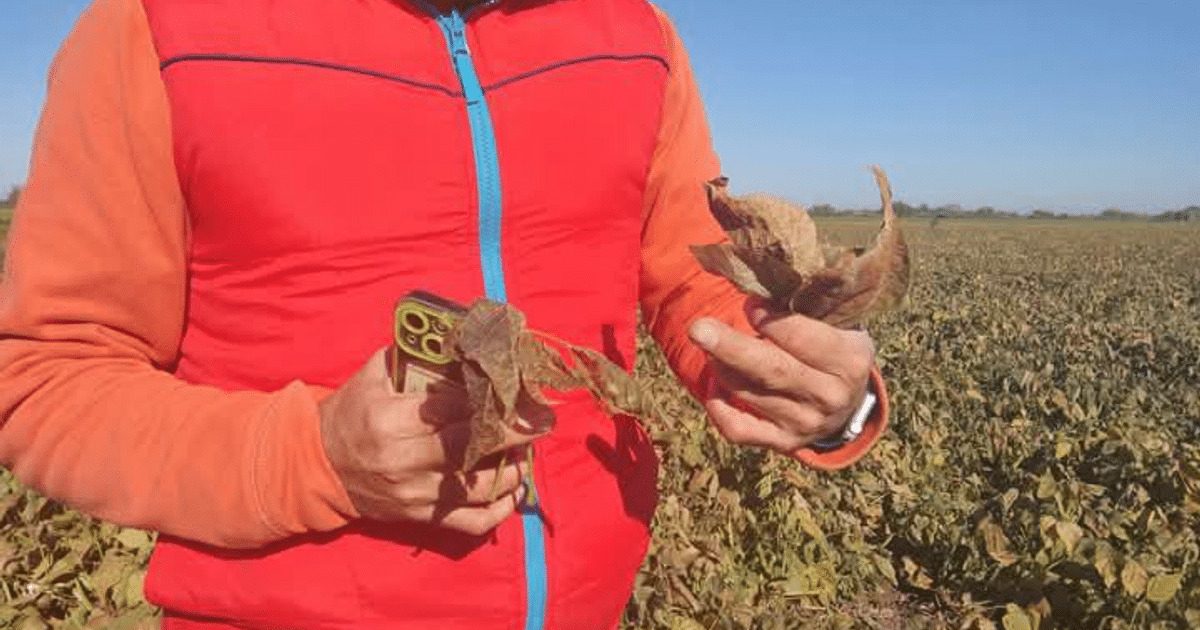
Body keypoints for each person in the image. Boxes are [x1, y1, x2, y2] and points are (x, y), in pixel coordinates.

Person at [0, 0, 889, 628]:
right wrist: (313, 458)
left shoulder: (631, 35)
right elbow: (43, 382)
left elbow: (693, 281)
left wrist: (807, 375)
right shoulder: (163, 27)